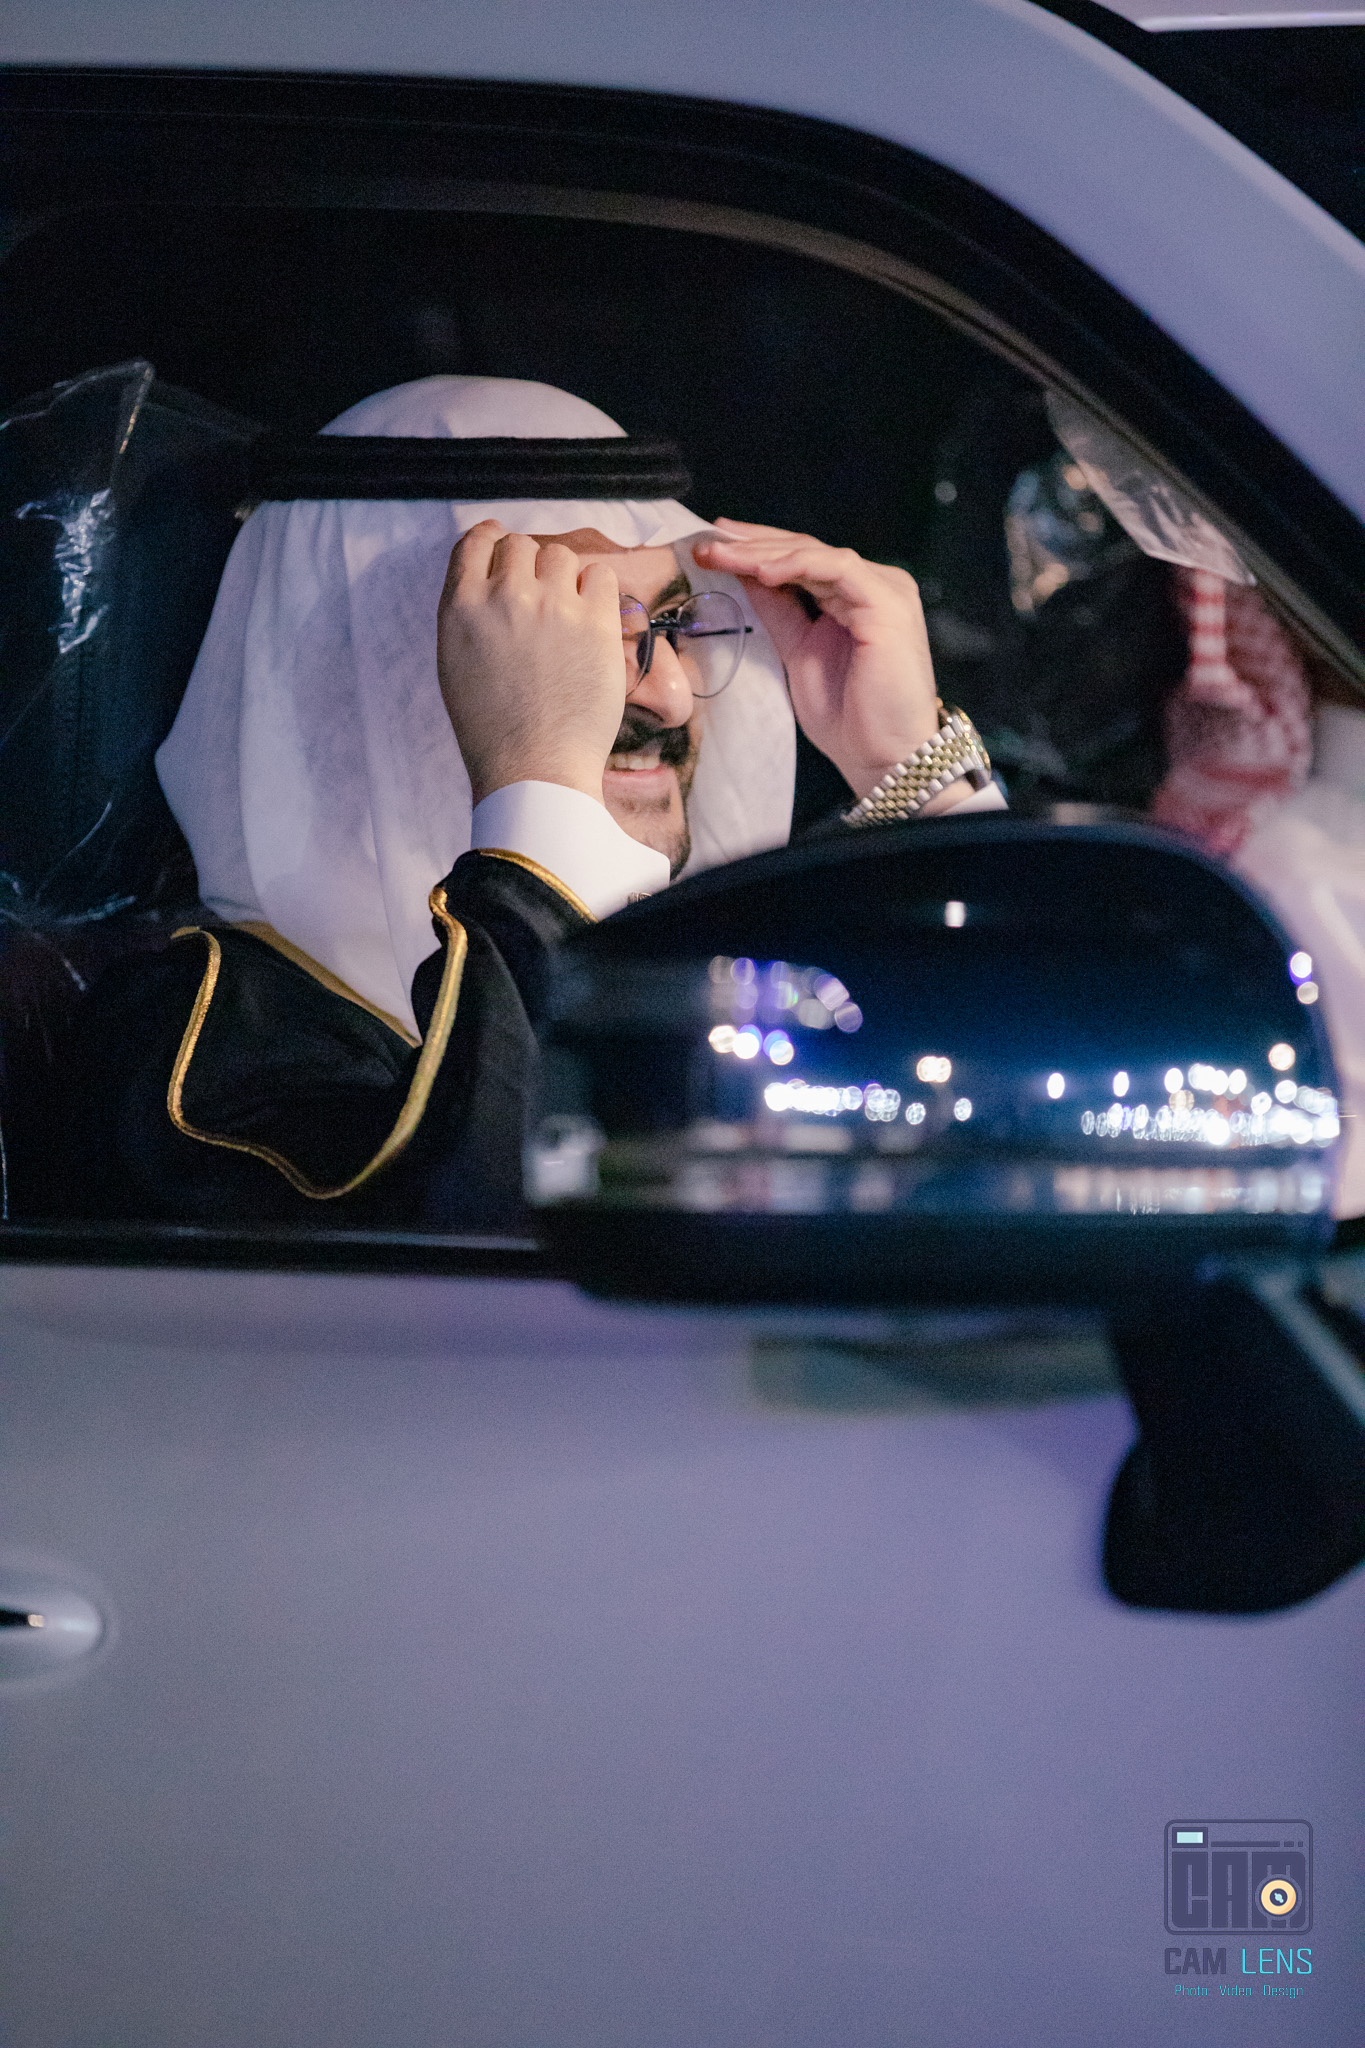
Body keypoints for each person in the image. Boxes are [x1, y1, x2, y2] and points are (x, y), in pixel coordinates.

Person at [66, 376, 1000, 1232]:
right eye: (576, 637)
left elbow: (995, 1137)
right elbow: (492, 1251)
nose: (671, 694)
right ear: (363, 672)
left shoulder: (721, 976)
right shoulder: (193, 1060)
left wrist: (912, 775)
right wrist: (539, 791)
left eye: (674, 623)